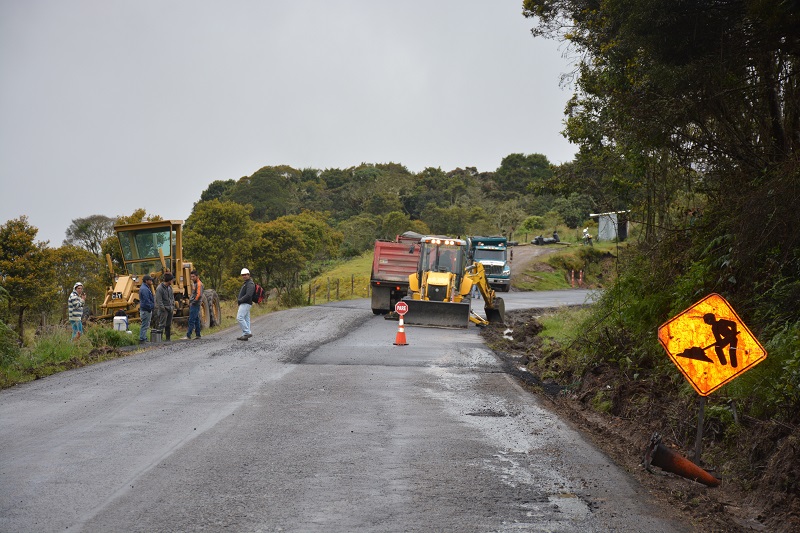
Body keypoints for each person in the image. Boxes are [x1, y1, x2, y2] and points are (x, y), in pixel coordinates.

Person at [154, 272, 175, 341]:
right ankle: (159, 340)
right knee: (162, 324)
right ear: (169, 280)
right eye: (172, 280)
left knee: (168, 324)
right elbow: (159, 300)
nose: (172, 281)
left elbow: (172, 297)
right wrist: (163, 309)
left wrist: (172, 306)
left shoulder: (170, 288)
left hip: (170, 309)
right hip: (164, 310)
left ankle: (168, 339)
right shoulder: (159, 288)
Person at [236, 268, 255, 341]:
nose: (244, 276)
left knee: (240, 317)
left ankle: (247, 332)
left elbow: (249, 295)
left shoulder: (250, 283)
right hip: (245, 303)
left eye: (245, 275)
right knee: (246, 319)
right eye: (242, 275)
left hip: (245, 303)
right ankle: (245, 335)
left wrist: (240, 300)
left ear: (249, 275)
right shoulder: (246, 283)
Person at [186, 270, 204, 339]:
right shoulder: (195, 283)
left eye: (193, 276)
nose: (192, 278)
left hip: (195, 304)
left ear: (197, 276)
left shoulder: (199, 284)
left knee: (191, 319)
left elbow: (198, 295)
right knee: (196, 319)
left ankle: (188, 335)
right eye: (191, 277)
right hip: (195, 303)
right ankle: (198, 334)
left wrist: (193, 302)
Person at [138, 274, 155, 342]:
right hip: (146, 310)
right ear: (146, 281)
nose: (151, 281)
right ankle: (142, 339)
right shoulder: (145, 289)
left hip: (145, 309)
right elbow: (146, 300)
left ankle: (143, 338)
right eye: (150, 280)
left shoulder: (145, 287)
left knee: (145, 325)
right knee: (145, 325)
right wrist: (150, 307)